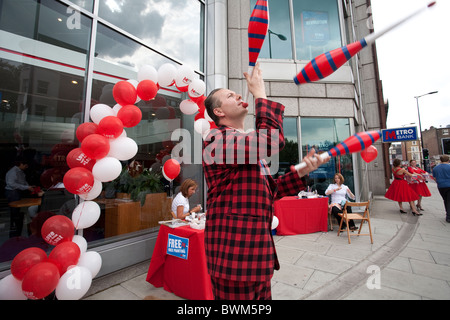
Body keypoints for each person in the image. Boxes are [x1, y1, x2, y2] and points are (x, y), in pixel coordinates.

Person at [202, 63, 328, 300]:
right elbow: (269, 142)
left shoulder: (247, 146)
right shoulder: (215, 139)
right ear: (219, 112)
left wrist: (302, 171)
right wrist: (260, 94)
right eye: (230, 95)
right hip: (234, 257)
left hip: (257, 257)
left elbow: (272, 190)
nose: (238, 94)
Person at [5, 159, 36, 237]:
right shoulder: (13, 172)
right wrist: (26, 187)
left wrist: (28, 186)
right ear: (21, 164)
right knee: (15, 212)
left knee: (19, 212)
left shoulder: (20, 172)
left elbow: (23, 182)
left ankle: (18, 228)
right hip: (12, 192)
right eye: (25, 165)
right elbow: (11, 183)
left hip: (17, 191)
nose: (26, 167)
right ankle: (15, 230)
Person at [432, 155, 450, 223]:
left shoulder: (435, 168)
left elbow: (434, 178)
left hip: (441, 186)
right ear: (448, 160)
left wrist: (439, 182)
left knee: (446, 200)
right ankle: (448, 216)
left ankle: (447, 213)